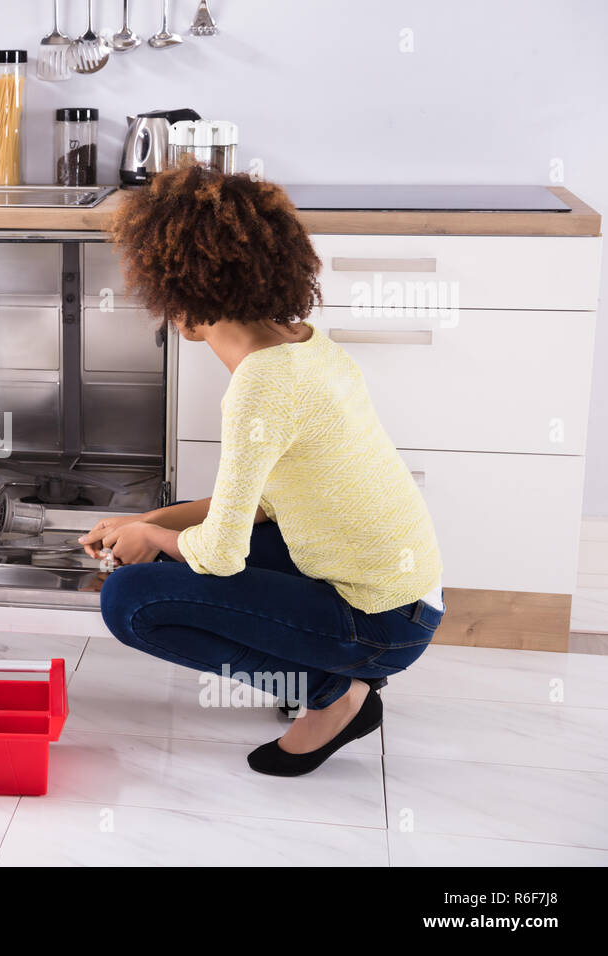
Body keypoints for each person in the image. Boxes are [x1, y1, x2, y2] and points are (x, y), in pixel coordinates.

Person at [80, 159, 446, 777]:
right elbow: (262, 507)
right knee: (201, 547)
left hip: (382, 623)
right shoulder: (303, 344)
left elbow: (221, 554)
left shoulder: (259, 385)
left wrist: (152, 541)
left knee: (128, 601)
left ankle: (336, 696)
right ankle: (338, 677)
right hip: (407, 599)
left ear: (182, 292)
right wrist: (146, 522)